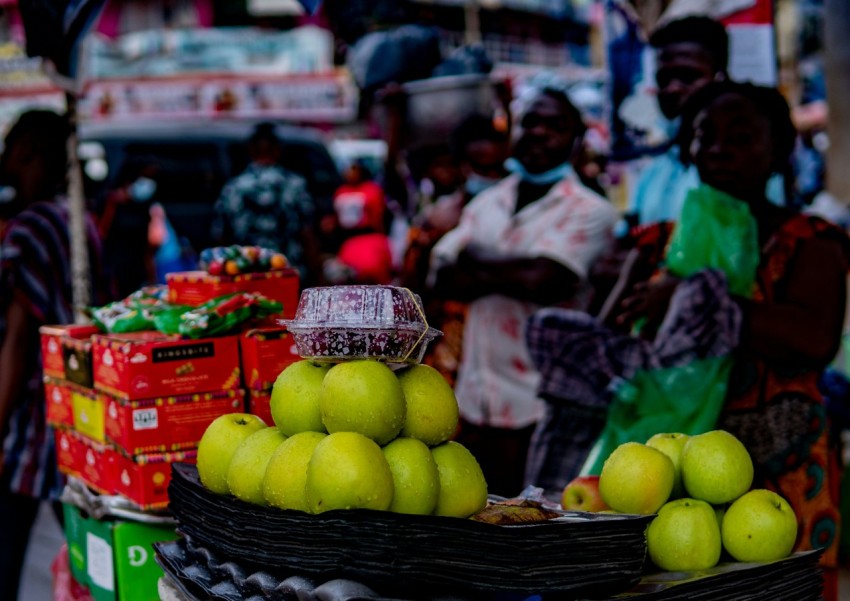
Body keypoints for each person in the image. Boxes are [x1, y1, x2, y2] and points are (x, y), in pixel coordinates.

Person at [615, 81, 847, 600]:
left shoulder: (809, 240)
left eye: (740, 136)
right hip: (671, 479)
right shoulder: (656, 242)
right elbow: (611, 336)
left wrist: (697, 299)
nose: (719, 148)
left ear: (779, 149)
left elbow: (813, 341)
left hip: (781, 475)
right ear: (687, 148)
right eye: (706, 135)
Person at [429, 87, 619, 497]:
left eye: (555, 126)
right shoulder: (486, 203)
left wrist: (477, 257)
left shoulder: (592, 211)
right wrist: (516, 269)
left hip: (545, 408)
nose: (539, 133)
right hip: (475, 405)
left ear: (576, 141)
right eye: (531, 122)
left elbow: (545, 281)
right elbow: (443, 276)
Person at [0, 110, 105, 600]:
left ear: (38, 158)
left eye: (19, 158)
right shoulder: (77, 219)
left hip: (36, 416)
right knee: (88, 534)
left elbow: (17, 342)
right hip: (77, 402)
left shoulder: (30, 227)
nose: (10, 169)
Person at [623, 15, 728, 229]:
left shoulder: (741, 168)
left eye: (688, 77)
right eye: (664, 80)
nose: (673, 89)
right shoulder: (652, 173)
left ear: (720, 79)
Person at [211, 122, 321, 285]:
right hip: (288, 275)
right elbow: (307, 233)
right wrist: (317, 273)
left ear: (251, 150)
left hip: (245, 275)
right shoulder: (294, 184)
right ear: (277, 150)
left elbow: (220, 236)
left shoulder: (234, 187)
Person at [98, 159, 160, 298]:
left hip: (138, 274)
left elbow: (147, 246)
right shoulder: (110, 204)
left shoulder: (144, 207)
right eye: (144, 177)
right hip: (114, 274)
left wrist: (151, 277)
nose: (147, 183)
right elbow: (100, 236)